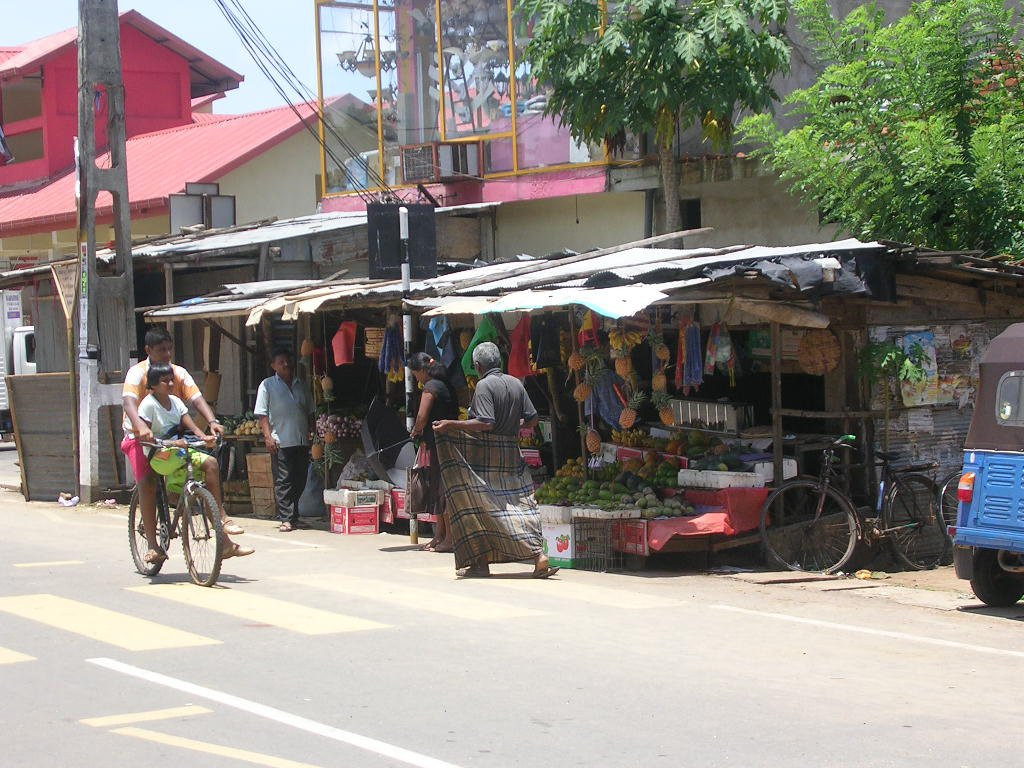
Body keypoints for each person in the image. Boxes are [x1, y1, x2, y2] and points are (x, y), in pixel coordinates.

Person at [433, 341, 558, 579]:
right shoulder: (515, 383)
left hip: (486, 458)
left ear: (479, 366)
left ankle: (492, 560)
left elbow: (485, 422)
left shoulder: (484, 385)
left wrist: (451, 424)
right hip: (512, 453)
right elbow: (532, 420)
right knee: (521, 505)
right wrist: (511, 426)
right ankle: (527, 556)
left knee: (480, 507)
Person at [121, 327, 243, 564]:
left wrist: (212, 422)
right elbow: (128, 402)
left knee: (208, 464)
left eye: (169, 348)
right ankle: (154, 547)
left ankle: (221, 519)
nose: (167, 354)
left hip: (173, 439)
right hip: (141, 438)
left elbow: (197, 399)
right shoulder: (138, 374)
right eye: (161, 350)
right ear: (148, 351)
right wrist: (141, 427)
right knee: (148, 483)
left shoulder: (177, 373)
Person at [139, 363, 254, 561]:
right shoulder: (148, 404)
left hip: (180, 449)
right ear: (153, 385)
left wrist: (204, 436)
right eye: (165, 380)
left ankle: (221, 518)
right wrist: (170, 442)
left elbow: (189, 423)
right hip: (160, 455)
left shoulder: (175, 401)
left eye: (171, 379)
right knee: (176, 467)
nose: (171, 383)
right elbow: (147, 437)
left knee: (211, 463)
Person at [255, 347, 314, 532]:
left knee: (300, 479)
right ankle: (286, 518)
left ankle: (294, 516)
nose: (286, 364)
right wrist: (267, 437)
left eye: (287, 361)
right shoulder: (267, 385)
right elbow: (262, 414)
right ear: (274, 366)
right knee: (284, 480)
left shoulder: (301, 384)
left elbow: (310, 411)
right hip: (280, 440)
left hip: (301, 439)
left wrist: (312, 431)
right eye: (281, 362)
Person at [408, 352, 458, 552]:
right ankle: (439, 535)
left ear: (422, 370)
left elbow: (421, 416)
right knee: (438, 487)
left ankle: (450, 539)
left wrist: (416, 431)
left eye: (415, 374)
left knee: (443, 490)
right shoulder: (445, 385)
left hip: (441, 444)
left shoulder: (431, 387)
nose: (415, 378)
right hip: (444, 443)